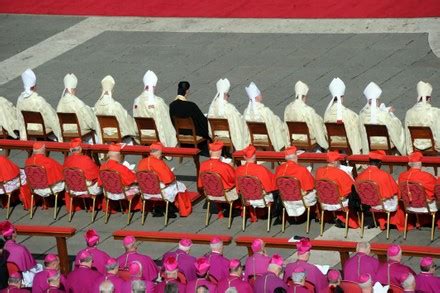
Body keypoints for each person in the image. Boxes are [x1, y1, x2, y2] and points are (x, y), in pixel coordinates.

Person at [355, 150, 407, 231]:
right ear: (380, 163)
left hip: (366, 205)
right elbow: (394, 191)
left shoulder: (360, 175)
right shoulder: (384, 175)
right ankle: (393, 222)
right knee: (399, 199)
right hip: (381, 205)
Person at [137, 141, 185, 217]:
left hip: (145, 191)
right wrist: (172, 175)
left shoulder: (141, 162)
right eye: (161, 153)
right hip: (160, 191)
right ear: (158, 152)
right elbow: (168, 179)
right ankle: (171, 209)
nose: (161, 155)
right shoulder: (159, 163)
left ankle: (157, 208)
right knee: (179, 186)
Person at [133, 70, 177, 147]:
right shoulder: (158, 102)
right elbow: (166, 117)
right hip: (156, 134)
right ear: (153, 86)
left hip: (142, 133)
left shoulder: (137, 101)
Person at [359, 82, 406, 155]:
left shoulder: (362, 115)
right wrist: (391, 115)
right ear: (377, 101)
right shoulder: (384, 115)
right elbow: (395, 127)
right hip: (385, 143)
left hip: (369, 143)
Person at [315, 151, 358, 228]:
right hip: (339, 203)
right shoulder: (340, 173)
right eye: (339, 161)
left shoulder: (319, 171)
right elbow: (352, 188)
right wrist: (350, 176)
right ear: (335, 162)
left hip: (324, 202)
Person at [16, 69, 61, 141]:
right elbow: (50, 115)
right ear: (34, 87)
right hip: (41, 128)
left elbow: (19, 117)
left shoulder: (20, 99)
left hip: (28, 128)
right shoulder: (38, 100)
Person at [235, 144, 276, 222]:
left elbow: (238, 188)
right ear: (254, 156)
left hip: (246, 199)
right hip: (261, 199)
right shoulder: (261, 169)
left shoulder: (238, 170)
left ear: (244, 157)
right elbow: (271, 183)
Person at [243, 82, 289, 151]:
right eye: (259, 93)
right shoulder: (265, 111)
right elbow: (275, 123)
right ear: (256, 97)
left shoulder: (246, 112)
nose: (261, 94)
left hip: (253, 138)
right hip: (266, 138)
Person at [169, 81, 211, 156]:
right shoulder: (191, 106)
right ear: (187, 91)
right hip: (193, 134)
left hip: (180, 133)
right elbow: (201, 120)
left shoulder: (172, 106)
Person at [198, 141, 238, 219]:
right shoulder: (225, 167)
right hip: (225, 195)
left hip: (210, 194)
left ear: (210, 152)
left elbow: (200, 184)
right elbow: (234, 180)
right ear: (220, 152)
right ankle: (234, 208)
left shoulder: (202, 165)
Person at [208, 78, 250, 151]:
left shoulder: (212, 107)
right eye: (228, 95)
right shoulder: (229, 108)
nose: (228, 97)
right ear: (224, 94)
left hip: (216, 134)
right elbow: (237, 121)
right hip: (227, 134)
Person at [284, 80, 328, 150]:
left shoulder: (288, 108)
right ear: (304, 96)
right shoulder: (308, 110)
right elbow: (317, 124)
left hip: (293, 139)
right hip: (306, 139)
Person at [274, 146, 316, 217]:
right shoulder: (302, 170)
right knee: (316, 190)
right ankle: (317, 216)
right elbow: (310, 186)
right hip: (300, 200)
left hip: (285, 200)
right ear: (296, 156)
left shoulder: (278, 169)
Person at [94, 75, 137, 144]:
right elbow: (124, 120)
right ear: (112, 90)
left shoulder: (96, 105)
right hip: (117, 136)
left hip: (102, 136)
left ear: (101, 90)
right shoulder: (115, 105)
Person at [324, 77, 362, 154]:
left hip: (333, 141)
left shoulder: (327, 113)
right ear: (342, 97)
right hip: (346, 141)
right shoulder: (348, 113)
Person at [57, 73, 98, 143]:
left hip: (65, 132)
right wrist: (95, 126)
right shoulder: (77, 102)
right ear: (73, 90)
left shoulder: (60, 103)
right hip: (79, 132)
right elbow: (89, 120)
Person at [98, 144, 139, 213]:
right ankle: (132, 207)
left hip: (108, 193)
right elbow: (133, 179)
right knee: (139, 186)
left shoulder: (102, 167)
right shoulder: (120, 167)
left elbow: (100, 182)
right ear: (119, 155)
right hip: (121, 193)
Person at [63, 138, 101, 213]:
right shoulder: (86, 159)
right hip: (87, 189)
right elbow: (96, 174)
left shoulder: (67, 160)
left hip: (71, 188)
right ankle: (95, 206)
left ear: (71, 150)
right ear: (80, 149)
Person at [1, 221, 41, 287]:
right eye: (15, 230)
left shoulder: (3, 249)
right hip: (21, 279)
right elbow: (32, 267)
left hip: (7, 278)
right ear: (13, 233)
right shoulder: (21, 249)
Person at [405, 81, 440, 153]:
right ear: (429, 99)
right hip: (431, 146)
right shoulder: (435, 112)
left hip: (415, 146)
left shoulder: (409, 112)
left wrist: (410, 150)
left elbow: (407, 133)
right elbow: (438, 131)